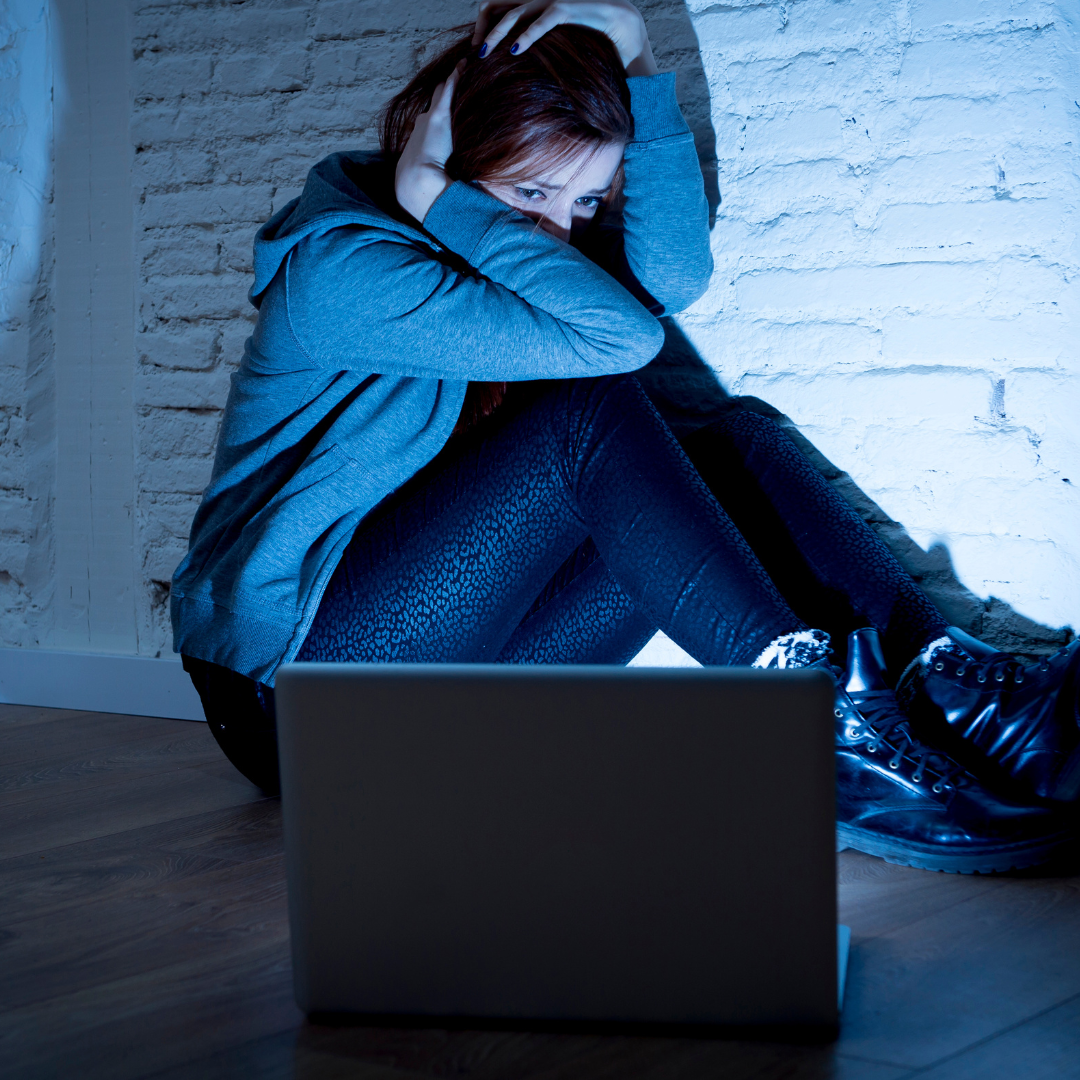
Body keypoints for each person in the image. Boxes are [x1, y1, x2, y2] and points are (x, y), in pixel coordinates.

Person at [172, 0, 1080, 873]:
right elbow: (626, 338)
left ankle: (951, 692)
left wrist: (643, 63)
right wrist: (432, 197)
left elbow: (672, 280)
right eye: (528, 189)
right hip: (296, 706)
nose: (554, 231)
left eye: (583, 204)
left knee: (730, 439)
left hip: (435, 681)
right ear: (451, 160)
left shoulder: (513, 258)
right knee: (587, 415)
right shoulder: (340, 268)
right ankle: (812, 730)